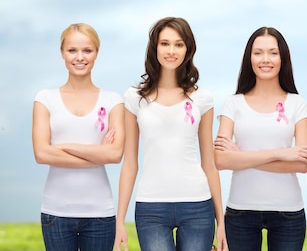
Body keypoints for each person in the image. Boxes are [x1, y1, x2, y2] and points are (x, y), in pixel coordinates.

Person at [114, 17, 226, 251]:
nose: (171, 50)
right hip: (151, 207)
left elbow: (209, 163)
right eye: (165, 44)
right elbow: (130, 164)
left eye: (179, 44)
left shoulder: (202, 98)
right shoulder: (134, 97)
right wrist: (119, 219)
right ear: (154, 47)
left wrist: (221, 221)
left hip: (198, 205)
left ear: (188, 49)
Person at [213, 26, 307, 251]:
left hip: (288, 212)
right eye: (258, 52)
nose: (265, 59)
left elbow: (302, 163)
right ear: (249, 58)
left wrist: (241, 156)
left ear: (282, 58)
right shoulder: (233, 103)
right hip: (240, 211)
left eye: (273, 52)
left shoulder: (297, 103)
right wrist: (281, 153)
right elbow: (220, 160)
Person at [32, 23, 125, 251]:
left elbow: (114, 154)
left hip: (100, 214)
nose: (79, 57)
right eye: (72, 50)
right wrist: (97, 154)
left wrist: (62, 147)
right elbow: (41, 154)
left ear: (96, 53)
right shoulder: (45, 99)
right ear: (62, 53)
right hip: (56, 213)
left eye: (87, 50)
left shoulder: (113, 101)